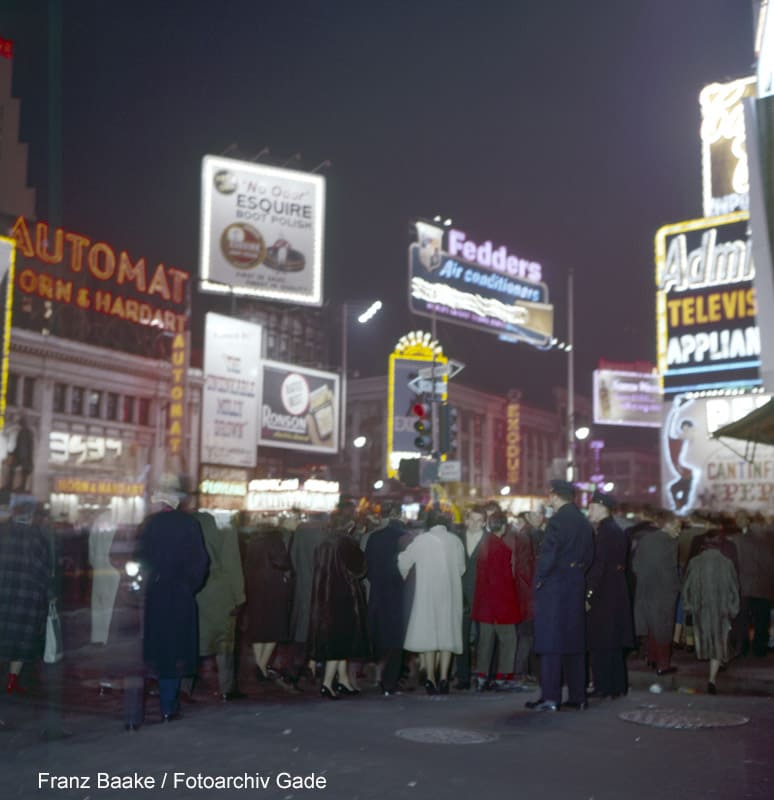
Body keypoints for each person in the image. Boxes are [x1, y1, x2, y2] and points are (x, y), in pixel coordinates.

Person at [136, 485, 209, 721]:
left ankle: (155, 699)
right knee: (176, 648)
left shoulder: (149, 525)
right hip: (180, 594)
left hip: (156, 592)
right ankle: (170, 703)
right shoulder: (189, 524)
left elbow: (139, 559)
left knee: (158, 647)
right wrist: (189, 585)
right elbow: (201, 562)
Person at [526, 479, 594, 712]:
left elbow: (549, 555)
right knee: (574, 643)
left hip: (555, 588)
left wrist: (539, 580)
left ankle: (550, 697)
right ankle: (578, 696)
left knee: (551, 644)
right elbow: (589, 556)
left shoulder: (557, 521)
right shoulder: (583, 522)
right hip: (575, 585)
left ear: (555, 496)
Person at [398, 508, 465, 694]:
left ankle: (430, 678)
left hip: (426, 593)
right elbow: (461, 568)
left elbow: (403, 561)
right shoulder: (455, 541)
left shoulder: (421, 540)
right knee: (447, 635)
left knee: (429, 635)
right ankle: (443, 678)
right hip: (449, 594)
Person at [187, 500, 246, 701]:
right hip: (220, 590)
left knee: (194, 639)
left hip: (195, 589)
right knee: (224, 641)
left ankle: (185, 687)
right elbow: (232, 563)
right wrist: (239, 596)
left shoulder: (191, 520)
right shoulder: (225, 524)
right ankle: (226, 688)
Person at [307, 513, 370, 699]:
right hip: (343, 596)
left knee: (338, 640)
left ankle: (343, 680)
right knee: (340, 640)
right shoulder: (347, 543)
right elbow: (359, 570)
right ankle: (327, 684)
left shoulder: (323, 543)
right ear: (349, 525)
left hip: (324, 596)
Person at [0, 496, 52, 695]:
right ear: (31, 515)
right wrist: (49, 593)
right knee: (21, 640)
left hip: (3, 592)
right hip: (26, 597)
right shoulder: (36, 538)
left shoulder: (2, 533)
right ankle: (12, 682)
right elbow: (42, 570)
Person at [585, 490, 634, 699]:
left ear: (601, 508)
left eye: (592, 507)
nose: (589, 511)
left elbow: (599, 566)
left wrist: (588, 593)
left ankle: (603, 686)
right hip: (616, 592)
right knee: (613, 642)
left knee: (601, 642)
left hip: (603, 595)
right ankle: (617, 685)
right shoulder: (616, 530)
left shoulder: (604, 533)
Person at [471, 509, 523, 690]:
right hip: (501, 605)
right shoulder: (501, 549)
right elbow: (503, 581)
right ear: (503, 527)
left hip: (484, 605)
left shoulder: (484, 545)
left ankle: (481, 677)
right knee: (509, 640)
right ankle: (503, 676)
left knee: (485, 643)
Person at [682, 543, 740, 694]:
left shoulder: (694, 563)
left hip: (701, 610)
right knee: (718, 644)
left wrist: (688, 606)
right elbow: (734, 589)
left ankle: (717, 668)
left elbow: (686, 587)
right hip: (721, 611)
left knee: (707, 641)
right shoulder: (727, 563)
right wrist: (733, 610)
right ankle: (712, 679)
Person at [364, 501, 408, 695]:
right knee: (396, 638)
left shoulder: (374, 537)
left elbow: (366, 565)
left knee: (380, 633)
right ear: (398, 515)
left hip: (378, 590)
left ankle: (379, 675)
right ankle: (390, 681)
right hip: (398, 591)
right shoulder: (404, 536)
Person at [242, 524, 294, 687]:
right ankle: (262, 666)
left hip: (255, 589)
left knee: (259, 629)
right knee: (275, 629)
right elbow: (282, 562)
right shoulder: (275, 541)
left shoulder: (252, 543)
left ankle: (260, 667)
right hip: (273, 589)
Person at [631, 511, 681, 675]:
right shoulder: (670, 543)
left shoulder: (646, 539)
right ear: (667, 524)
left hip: (645, 589)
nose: (679, 531)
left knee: (651, 625)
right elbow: (670, 571)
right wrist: (676, 588)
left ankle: (651, 658)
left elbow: (635, 565)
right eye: (676, 527)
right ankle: (663, 665)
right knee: (664, 628)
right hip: (663, 592)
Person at [452, 505, 487, 689]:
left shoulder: (490, 541)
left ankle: (482, 676)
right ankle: (463, 677)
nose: (474, 524)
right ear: (466, 520)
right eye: (472, 519)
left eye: (479, 521)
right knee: (461, 638)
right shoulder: (457, 539)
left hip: (482, 595)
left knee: (484, 639)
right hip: (461, 594)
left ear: (484, 523)